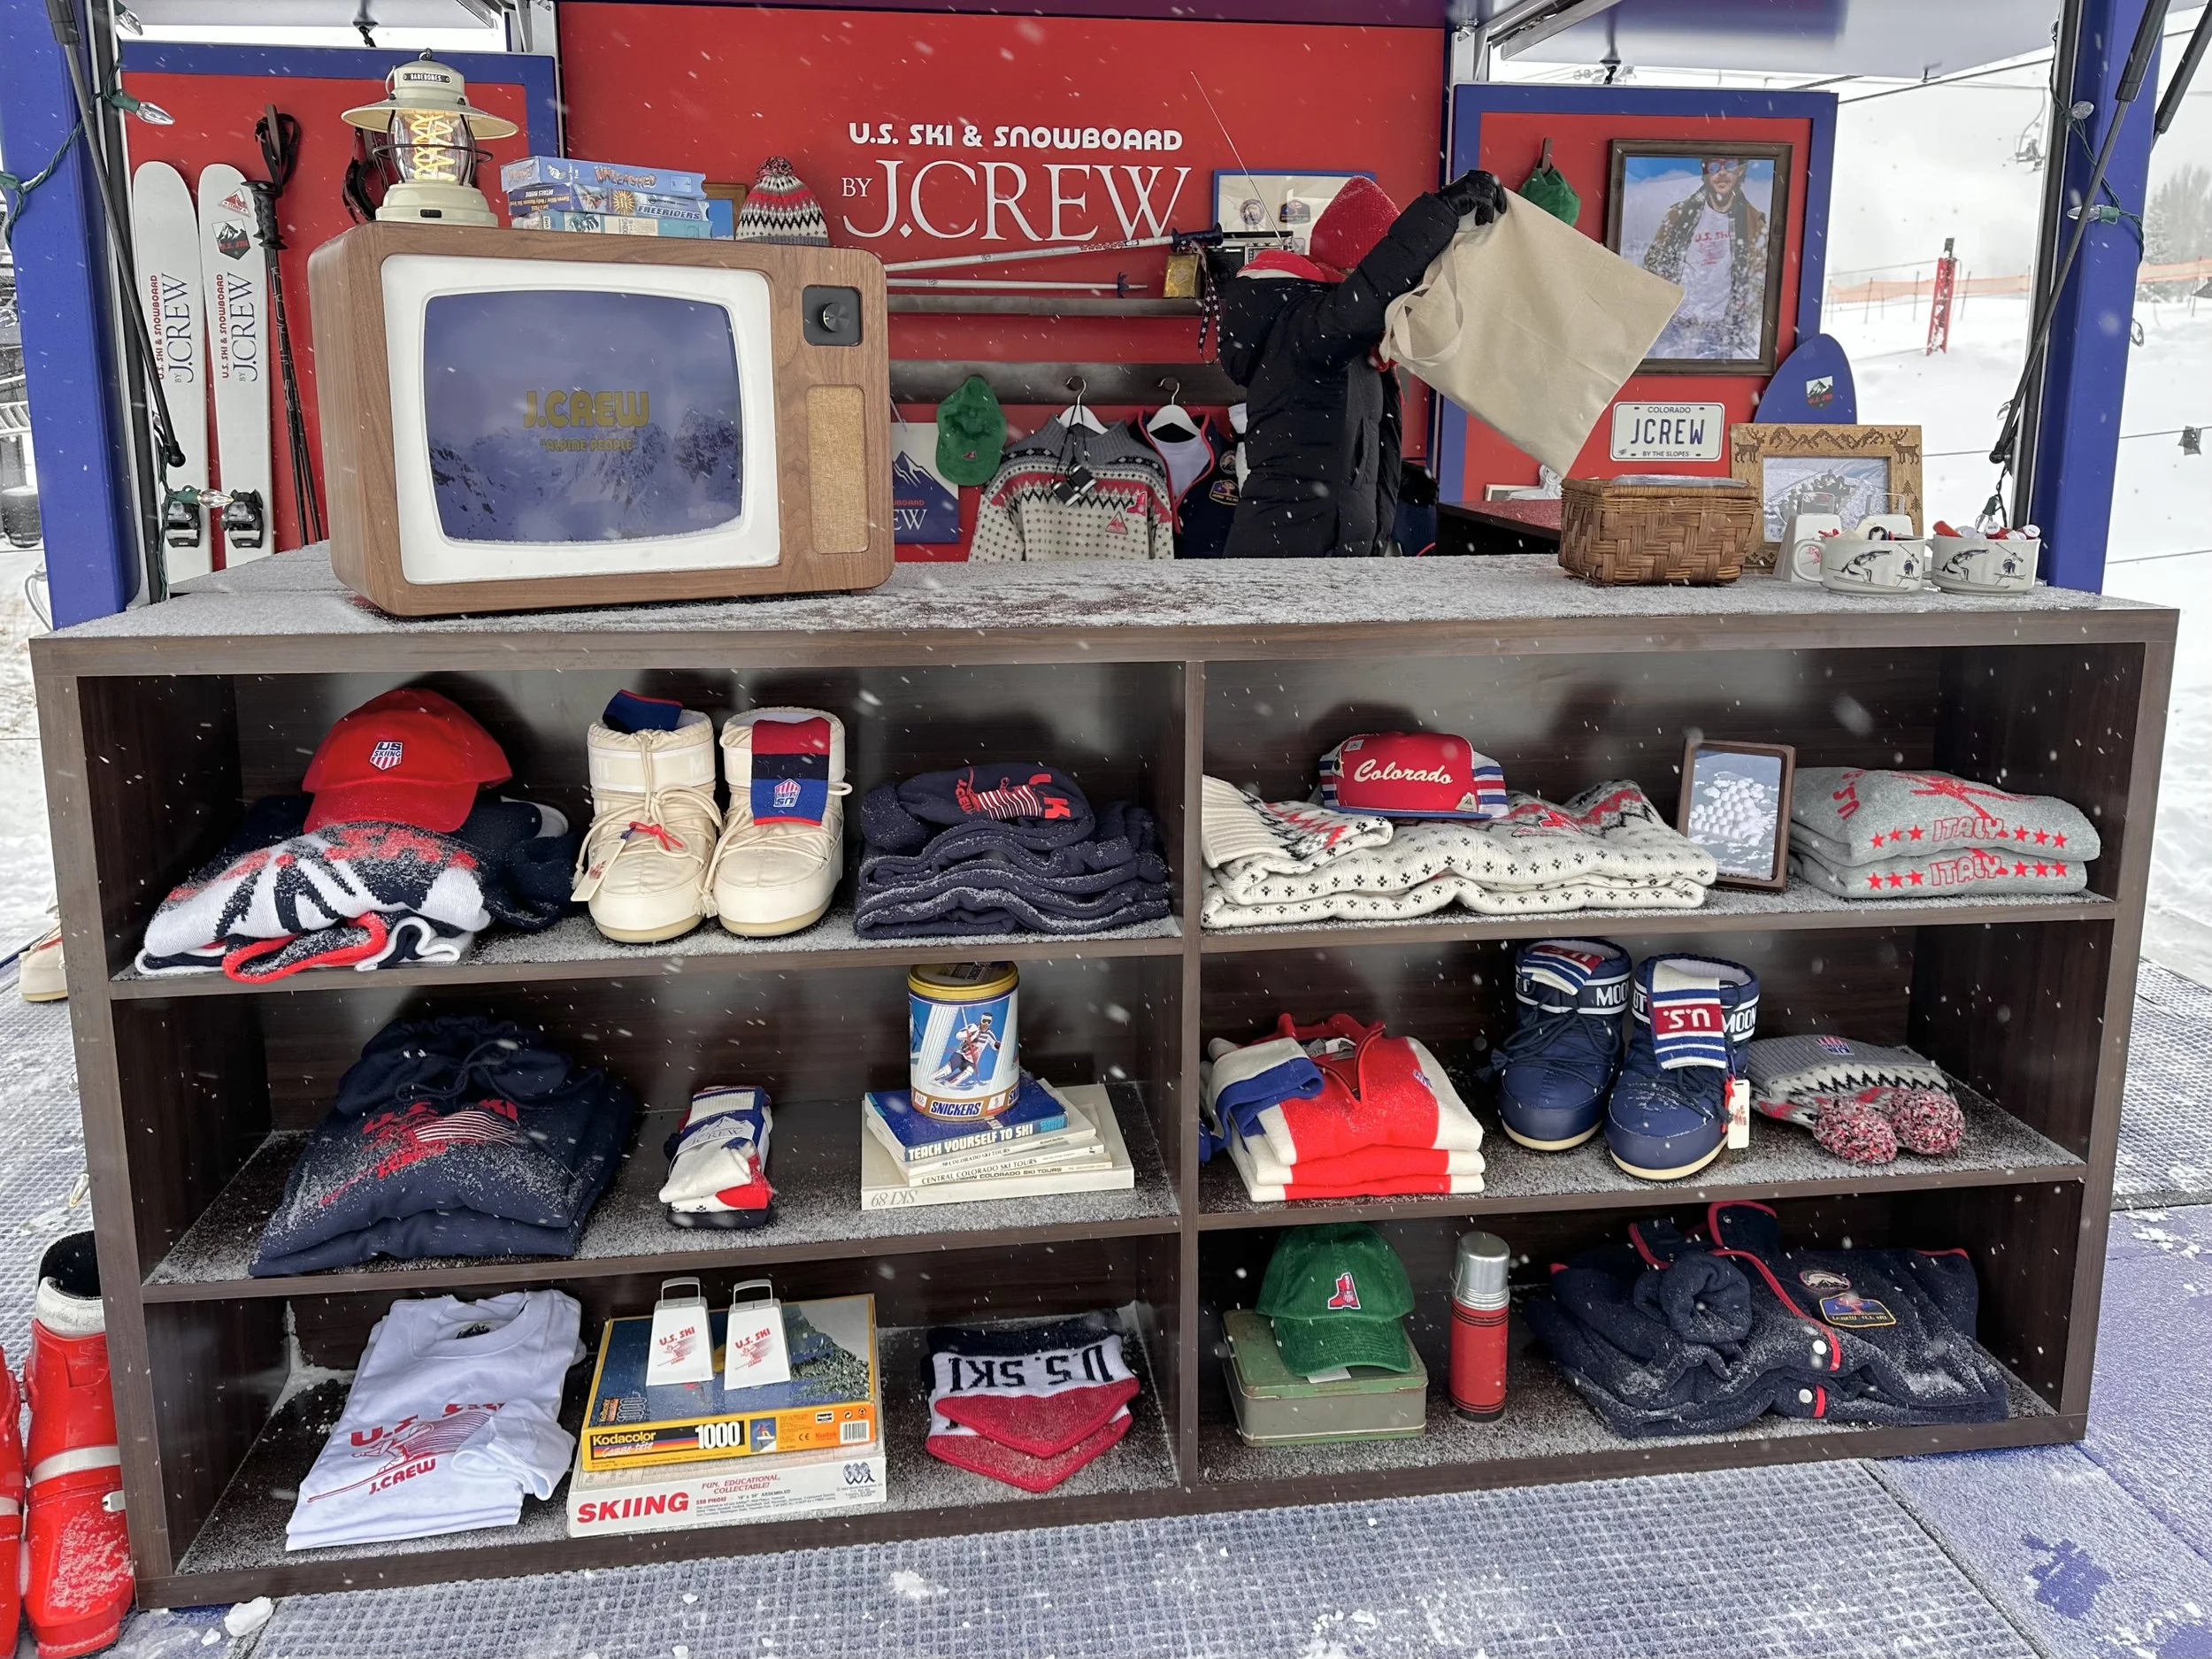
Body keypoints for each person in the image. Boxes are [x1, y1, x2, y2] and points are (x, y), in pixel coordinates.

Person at [1218, 169, 1508, 558]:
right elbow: (1366, 299)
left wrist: (1387, 477)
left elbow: (1340, 437)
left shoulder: (1360, 344)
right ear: (1357, 268)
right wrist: (1440, 213)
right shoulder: (1303, 325)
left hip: (1332, 551)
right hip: (1288, 552)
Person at [1637, 157, 1769, 361]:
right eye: (1715, 166)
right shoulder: (1677, 216)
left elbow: (1761, 281)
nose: (1722, 172)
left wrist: (1745, 320)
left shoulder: (1755, 224)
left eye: (1731, 165)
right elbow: (1653, 264)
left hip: (1722, 332)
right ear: (1706, 171)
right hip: (1674, 326)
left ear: (1740, 171)